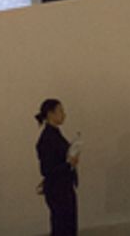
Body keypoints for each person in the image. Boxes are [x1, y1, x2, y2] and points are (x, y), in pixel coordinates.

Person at [35, 98, 80, 236]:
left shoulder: (55, 134)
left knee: (66, 227)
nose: (64, 114)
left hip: (63, 188)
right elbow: (46, 169)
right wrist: (68, 164)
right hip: (58, 190)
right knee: (62, 228)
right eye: (60, 111)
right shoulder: (48, 138)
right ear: (50, 114)